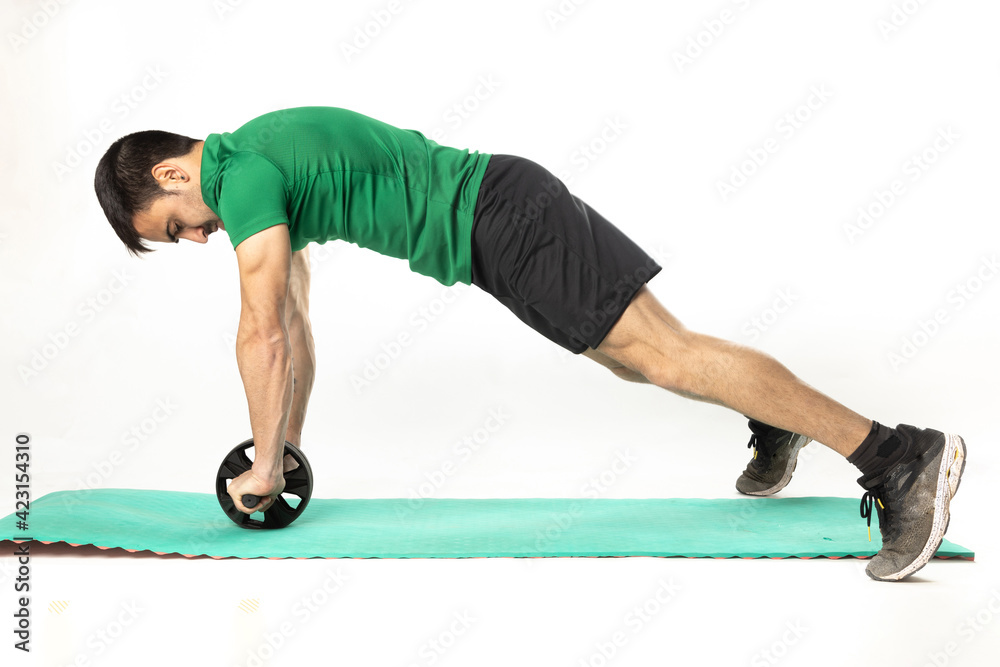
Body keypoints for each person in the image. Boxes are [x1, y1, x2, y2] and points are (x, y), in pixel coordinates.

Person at [93, 106, 966, 581]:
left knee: (662, 352)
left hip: (504, 218)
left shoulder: (241, 175)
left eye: (177, 229)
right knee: (636, 360)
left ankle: (898, 458)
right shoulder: (262, 167)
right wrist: (283, 450)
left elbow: (262, 331)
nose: (198, 240)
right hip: (498, 227)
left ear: (175, 174)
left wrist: (266, 463)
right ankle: (775, 415)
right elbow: (295, 326)